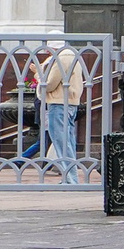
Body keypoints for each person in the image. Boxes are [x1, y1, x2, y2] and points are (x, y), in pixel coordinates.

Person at [41, 43, 87, 175]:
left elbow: (50, 83)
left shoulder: (60, 58)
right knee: (68, 140)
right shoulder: (74, 56)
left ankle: (71, 178)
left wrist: (39, 79)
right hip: (72, 102)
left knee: (61, 142)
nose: (46, 51)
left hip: (58, 101)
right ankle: (70, 177)